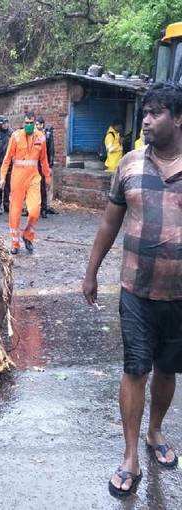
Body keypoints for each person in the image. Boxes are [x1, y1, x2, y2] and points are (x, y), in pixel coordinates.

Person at [83, 82, 182, 499]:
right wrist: (90, 272)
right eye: (145, 112)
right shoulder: (128, 165)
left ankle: (155, 432)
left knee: (167, 370)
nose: (145, 120)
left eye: (156, 113)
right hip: (135, 291)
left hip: (179, 296)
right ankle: (129, 455)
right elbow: (109, 224)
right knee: (134, 369)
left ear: (177, 118)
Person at [0, 111, 51, 254]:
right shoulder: (15, 136)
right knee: (15, 212)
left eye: (31, 123)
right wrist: (2, 177)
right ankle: (15, 243)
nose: (29, 125)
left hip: (34, 177)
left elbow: (44, 160)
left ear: (35, 123)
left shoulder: (41, 137)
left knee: (35, 210)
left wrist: (47, 177)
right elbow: (7, 159)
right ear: (23, 123)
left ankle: (27, 236)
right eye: (26, 123)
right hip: (17, 178)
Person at [35, 116, 58, 217]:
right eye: (36, 124)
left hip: (45, 163)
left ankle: (45, 207)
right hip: (36, 164)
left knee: (46, 187)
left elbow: (51, 150)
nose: (37, 126)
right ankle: (37, 207)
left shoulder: (47, 135)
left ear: (42, 124)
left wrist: (50, 165)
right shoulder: (34, 134)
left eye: (38, 124)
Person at [0, 116, 13, 212]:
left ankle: (7, 205)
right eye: (4, 123)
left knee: (8, 186)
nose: (6, 125)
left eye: (7, 123)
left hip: (9, 162)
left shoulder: (11, 134)